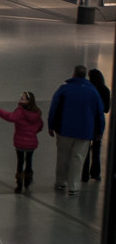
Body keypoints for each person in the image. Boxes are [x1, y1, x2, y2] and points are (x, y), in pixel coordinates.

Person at [47, 65, 106, 195]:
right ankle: (73, 186)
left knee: (63, 156)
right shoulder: (93, 92)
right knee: (78, 159)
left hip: (64, 130)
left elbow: (54, 108)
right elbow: (100, 113)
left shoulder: (64, 89)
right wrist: (100, 131)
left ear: (73, 74)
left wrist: (50, 125)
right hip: (85, 131)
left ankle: (61, 182)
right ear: (85, 76)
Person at [0, 91, 43, 193]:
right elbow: (40, 126)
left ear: (28, 101)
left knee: (20, 162)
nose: (20, 99)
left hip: (20, 142)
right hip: (32, 143)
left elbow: (9, 117)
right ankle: (28, 179)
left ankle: (19, 184)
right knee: (29, 161)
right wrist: (32, 132)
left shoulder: (20, 111)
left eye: (22, 98)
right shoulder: (37, 112)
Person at [84, 68, 111, 182]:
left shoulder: (88, 90)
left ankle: (84, 174)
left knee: (85, 148)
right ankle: (95, 173)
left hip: (88, 120)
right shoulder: (105, 90)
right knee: (96, 148)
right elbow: (106, 109)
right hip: (99, 121)